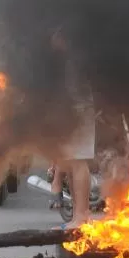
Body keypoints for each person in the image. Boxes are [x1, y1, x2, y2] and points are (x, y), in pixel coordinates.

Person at [49, 25, 95, 229]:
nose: (52, 41)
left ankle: (82, 215)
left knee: (77, 162)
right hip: (72, 112)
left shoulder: (75, 60)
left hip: (79, 111)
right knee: (70, 163)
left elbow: (77, 90)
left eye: (55, 37)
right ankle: (78, 214)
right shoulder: (69, 60)